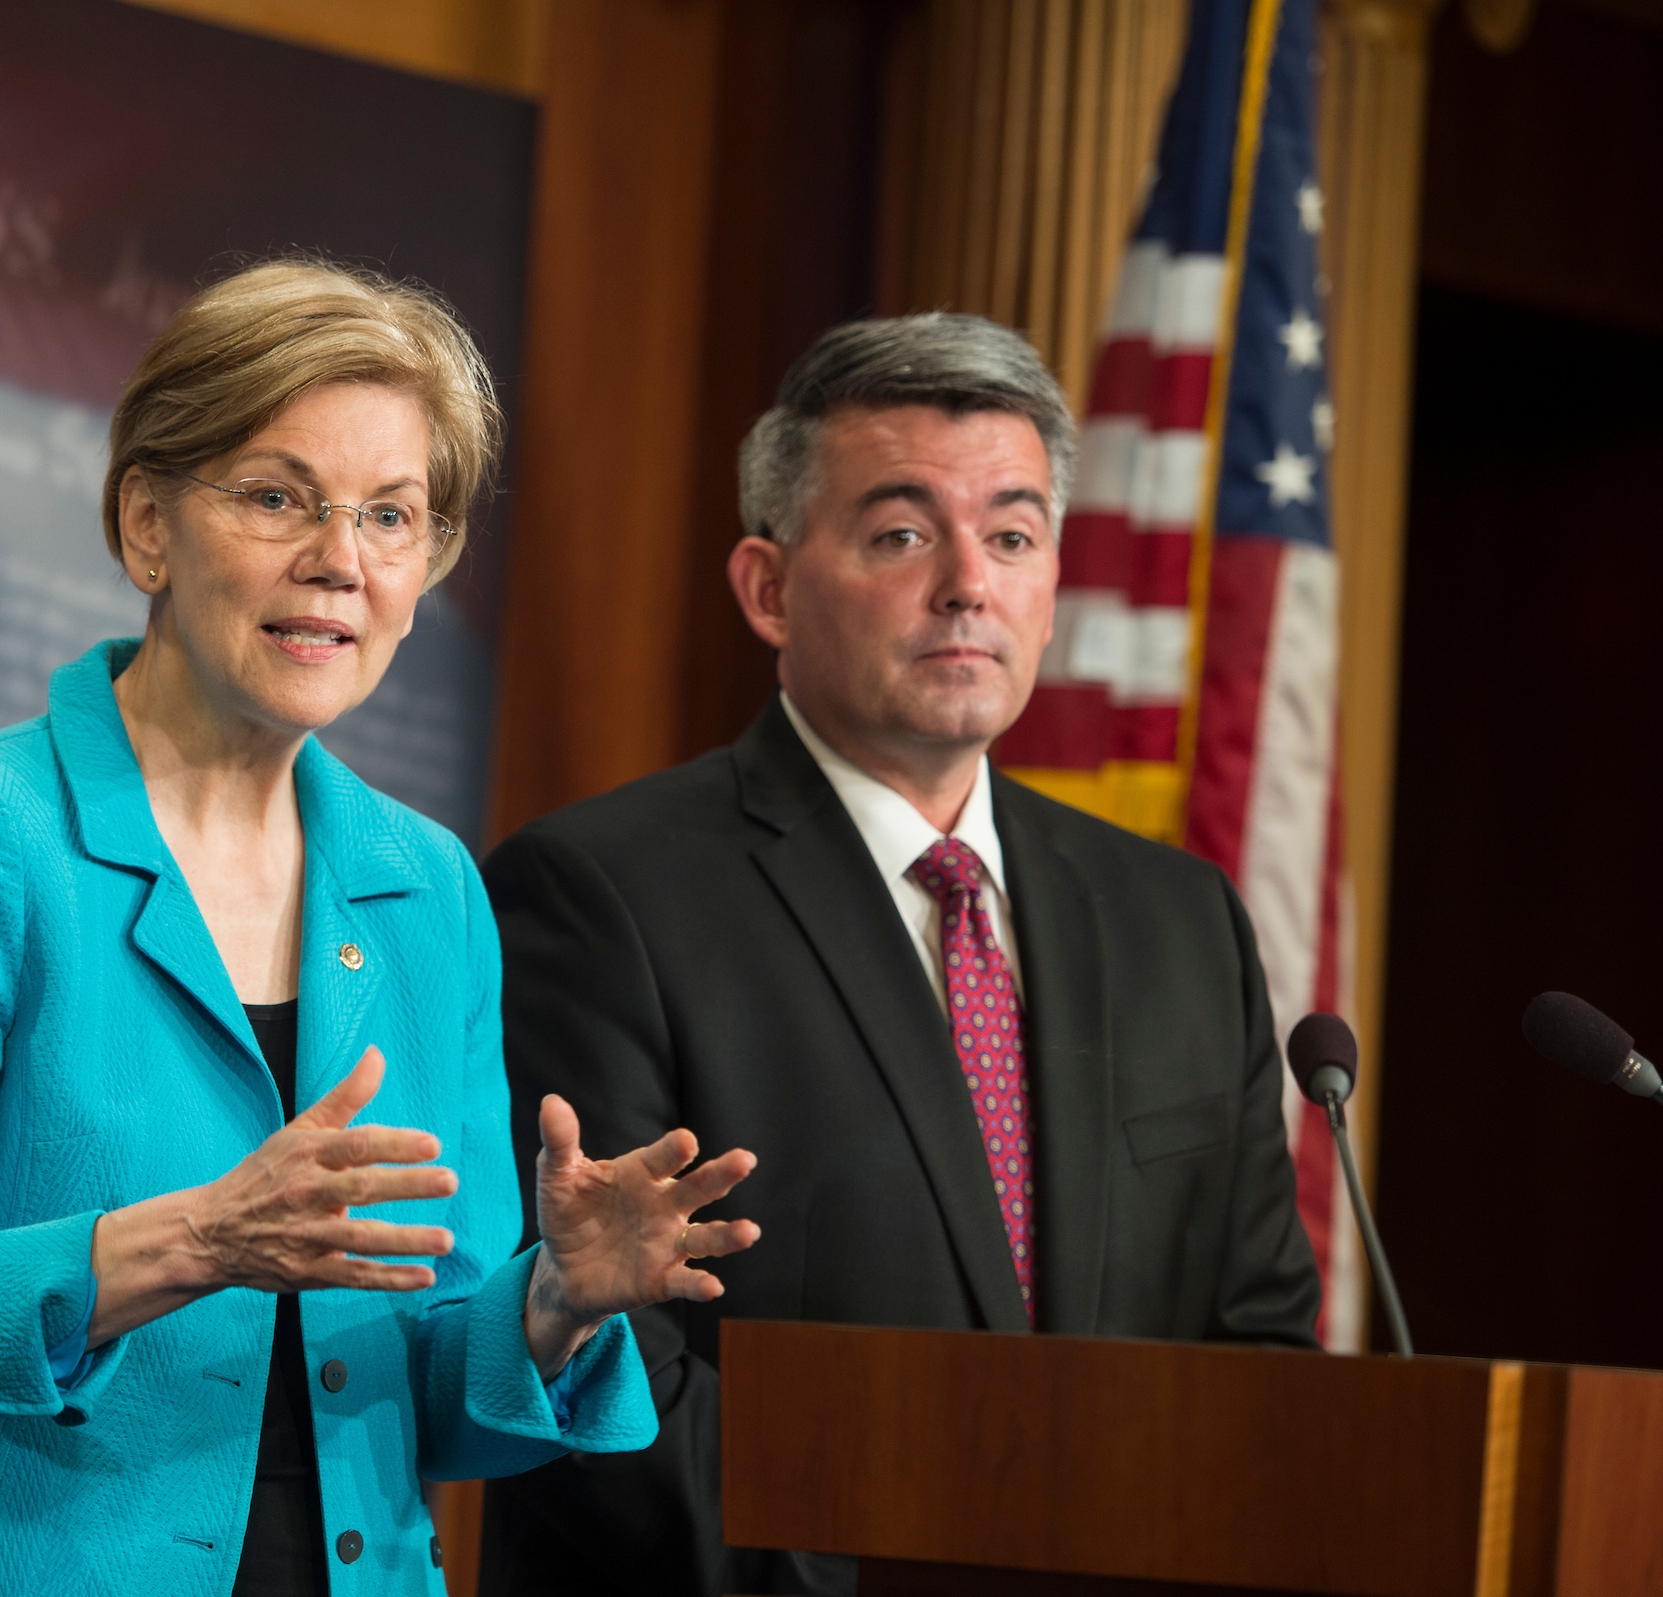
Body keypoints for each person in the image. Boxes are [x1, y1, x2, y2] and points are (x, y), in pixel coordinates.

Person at [0, 259, 759, 1597]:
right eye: (278, 496)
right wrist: (195, 1241)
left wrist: (556, 1299)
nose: (339, 561)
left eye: (391, 517)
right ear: (148, 527)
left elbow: (428, 1397)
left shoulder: (428, 885)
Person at [477, 313, 1323, 1597]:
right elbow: (606, 1357)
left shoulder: (1181, 921)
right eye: (902, 533)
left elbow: (1253, 1349)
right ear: (768, 587)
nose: (968, 583)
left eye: (1014, 535)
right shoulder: (600, 893)